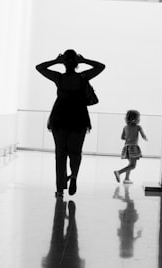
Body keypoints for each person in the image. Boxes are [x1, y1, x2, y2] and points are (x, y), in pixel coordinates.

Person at [36, 49, 105, 197]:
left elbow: (39, 68)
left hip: (59, 117)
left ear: (64, 63)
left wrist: (55, 61)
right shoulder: (83, 77)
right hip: (78, 117)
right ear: (76, 63)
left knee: (60, 153)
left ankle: (60, 189)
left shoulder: (58, 78)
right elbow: (101, 66)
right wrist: (85, 60)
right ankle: (73, 176)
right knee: (76, 151)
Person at [113, 109, 147, 184]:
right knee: (133, 166)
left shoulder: (125, 127)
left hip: (126, 147)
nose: (139, 120)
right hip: (133, 147)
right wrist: (145, 138)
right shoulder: (138, 127)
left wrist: (128, 137)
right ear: (135, 119)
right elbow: (143, 135)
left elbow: (122, 137)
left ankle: (127, 178)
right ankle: (119, 172)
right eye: (139, 118)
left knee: (130, 164)